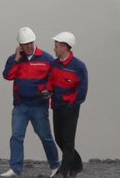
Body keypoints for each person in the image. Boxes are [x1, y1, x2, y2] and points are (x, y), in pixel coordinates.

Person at [0, 27, 60, 177]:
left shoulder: (46, 59)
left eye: (31, 43)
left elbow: (54, 79)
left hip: (39, 106)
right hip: (20, 105)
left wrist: (49, 91)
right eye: (25, 44)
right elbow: (7, 76)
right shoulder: (14, 59)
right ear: (20, 45)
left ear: (34, 42)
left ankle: (55, 166)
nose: (29, 46)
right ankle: (15, 168)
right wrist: (15, 59)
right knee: (16, 137)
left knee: (45, 136)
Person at [44, 32, 88, 178]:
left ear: (64, 47)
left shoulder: (79, 66)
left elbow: (82, 90)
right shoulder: (55, 64)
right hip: (57, 106)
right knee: (59, 139)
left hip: (71, 108)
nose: (54, 49)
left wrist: (72, 104)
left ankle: (64, 171)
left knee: (68, 140)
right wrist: (48, 91)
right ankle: (77, 164)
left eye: (56, 46)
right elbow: (50, 82)